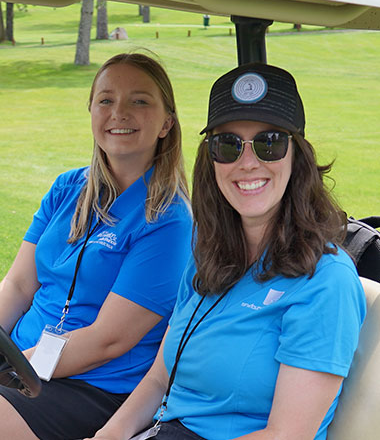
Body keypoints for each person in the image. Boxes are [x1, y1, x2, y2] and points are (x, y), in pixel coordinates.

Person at [87, 62, 366, 440]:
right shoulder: (209, 255)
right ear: (211, 160)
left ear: (297, 157)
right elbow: (159, 377)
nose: (247, 162)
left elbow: (286, 435)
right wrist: (109, 434)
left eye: (269, 143)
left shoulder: (324, 280)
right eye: (228, 145)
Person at [0, 52, 192, 440]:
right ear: (91, 111)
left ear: (166, 123)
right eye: (106, 100)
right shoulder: (67, 188)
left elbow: (110, 338)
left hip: (94, 385)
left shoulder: (168, 220)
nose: (119, 113)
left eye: (139, 101)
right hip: (21, 363)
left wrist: (17, 366)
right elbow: (19, 285)